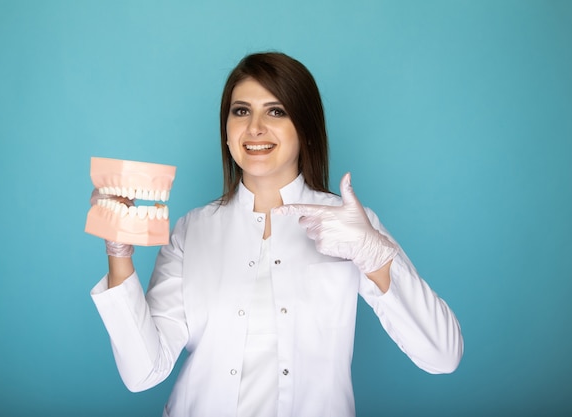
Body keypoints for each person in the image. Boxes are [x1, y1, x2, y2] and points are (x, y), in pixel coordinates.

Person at [90, 52, 463, 417]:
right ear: (226, 132)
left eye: (276, 111)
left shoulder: (350, 224)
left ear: (306, 128)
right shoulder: (192, 230)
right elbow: (144, 372)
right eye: (241, 111)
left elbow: (442, 356)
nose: (254, 128)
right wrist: (118, 252)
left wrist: (376, 257)